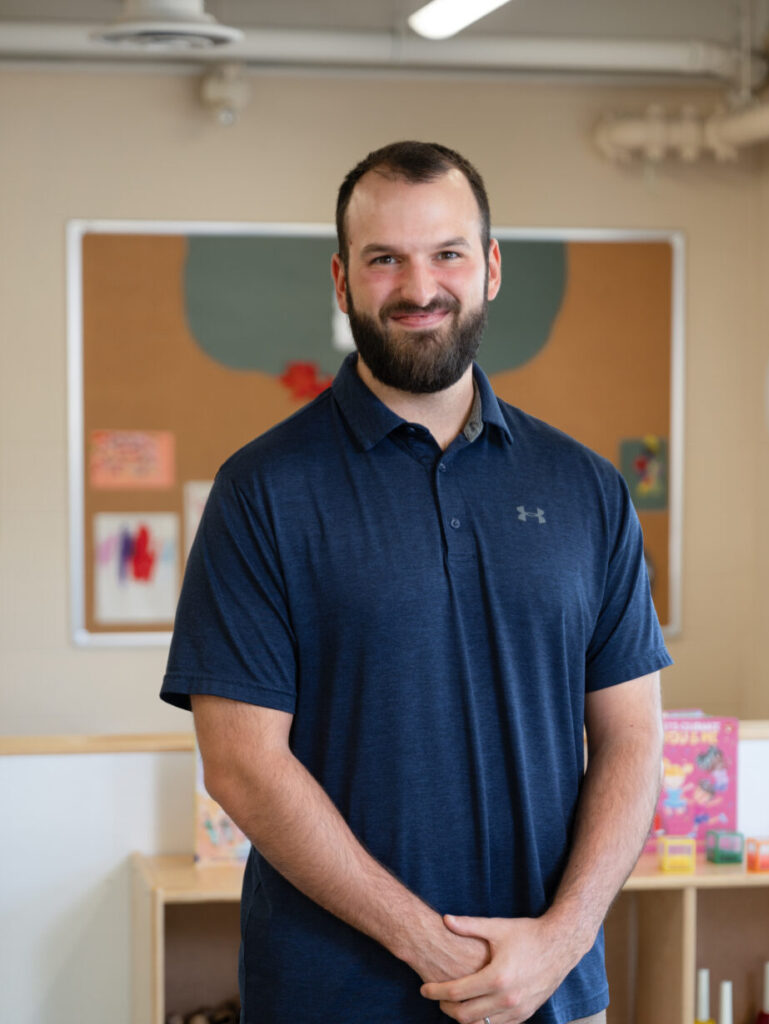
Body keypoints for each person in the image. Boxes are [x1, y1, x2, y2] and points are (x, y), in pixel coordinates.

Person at [161, 140, 671, 1024]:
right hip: (335, 998)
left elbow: (632, 743)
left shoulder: (586, 490)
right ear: (341, 279)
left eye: (447, 253)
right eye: (384, 258)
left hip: (551, 995)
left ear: (492, 267)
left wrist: (558, 943)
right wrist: (438, 952)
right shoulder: (263, 492)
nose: (418, 286)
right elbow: (241, 765)